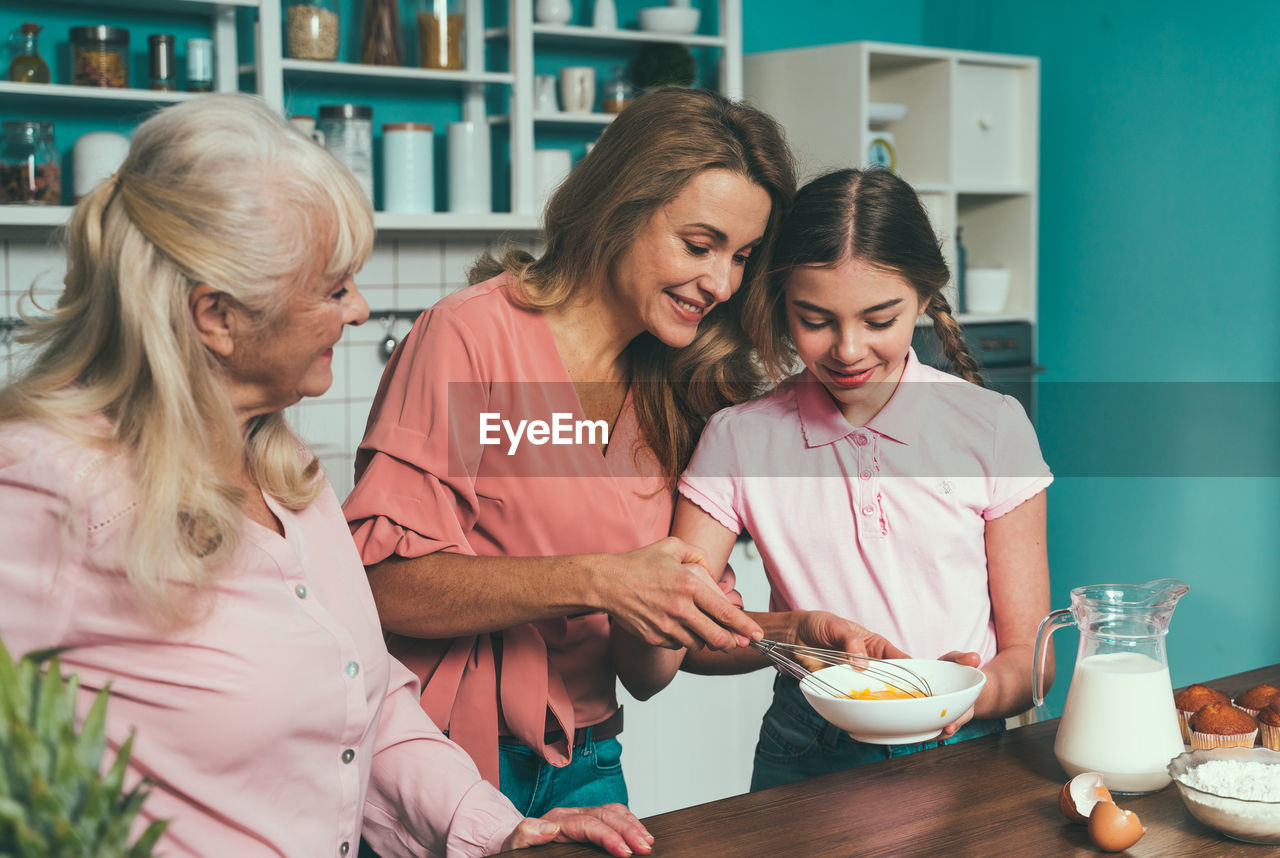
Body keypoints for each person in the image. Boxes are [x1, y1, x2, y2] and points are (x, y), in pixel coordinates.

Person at [0, 93, 655, 857]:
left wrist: (499, 825)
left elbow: (366, 707)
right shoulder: (44, 484)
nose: (360, 309)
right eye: (333, 287)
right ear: (217, 315)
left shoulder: (287, 475)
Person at [342, 87, 796, 814]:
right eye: (699, 244)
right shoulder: (473, 337)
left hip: (588, 760)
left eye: (742, 257)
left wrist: (794, 637)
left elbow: (657, 662)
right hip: (442, 760)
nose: (722, 283)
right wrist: (602, 580)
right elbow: (384, 585)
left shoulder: (683, 387)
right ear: (618, 207)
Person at [611, 167, 1054, 790]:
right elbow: (688, 643)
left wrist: (971, 695)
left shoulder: (994, 427)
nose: (847, 350)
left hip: (968, 743)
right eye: (815, 319)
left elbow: (1033, 663)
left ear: (924, 298)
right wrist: (790, 637)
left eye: (879, 320)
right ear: (780, 300)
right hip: (809, 744)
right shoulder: (739, 439)